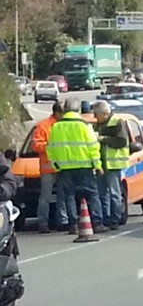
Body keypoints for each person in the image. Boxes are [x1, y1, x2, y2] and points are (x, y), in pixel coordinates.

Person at [46, 98, 107, 234]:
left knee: (69, 196)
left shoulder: (56, 127)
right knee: (92, 195)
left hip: (64, 169)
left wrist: (56, 166)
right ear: (78, 110)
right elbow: (93, 147)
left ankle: (73, 225)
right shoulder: (84, 126)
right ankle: (97, 223)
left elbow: (50, 149)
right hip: (85, 167)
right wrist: (98, 165)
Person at [32, 102, 73, 233]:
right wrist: (51, 146)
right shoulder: (42, 126)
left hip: (62, 167)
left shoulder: (65, 125)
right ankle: (43, 223)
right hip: (48, 168)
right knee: (45, 197)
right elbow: (36, 145)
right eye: (62, 114)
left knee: (63, 195)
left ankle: (62, 221)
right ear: (56, 113)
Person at [92, 101, 130, 230]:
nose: (94, 117)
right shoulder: (99, 124)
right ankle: (106, 218)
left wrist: (104, 139)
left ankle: (115, 219)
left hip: (113, 164)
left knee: (114, 193)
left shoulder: (117, 122)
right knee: (102, 194)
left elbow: (122, 141)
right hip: (101, 164)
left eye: (96, 114)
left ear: (104, 113)